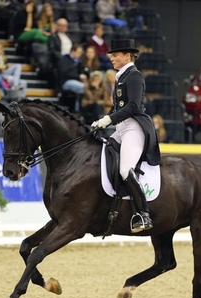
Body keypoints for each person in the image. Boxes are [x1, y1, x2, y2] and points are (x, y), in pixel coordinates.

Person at [91, 39, 160, 233]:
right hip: (121, 129)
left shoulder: (134, 76)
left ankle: (143, 215)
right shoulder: (121, 76)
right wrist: (102, 120)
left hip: (134, 128)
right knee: (103, 153)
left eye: (115, 55)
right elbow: (116, 107)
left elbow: (133, 107)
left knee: (125, 170)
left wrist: (108, 120)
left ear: (127, 56)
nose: (111, 58)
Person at [57, 44, 88, 111]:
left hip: (76, 81)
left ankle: (85, 109)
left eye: (81, 53)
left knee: (88, 86)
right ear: (73, 51)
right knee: (84, 87)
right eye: (78, 52)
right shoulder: (64, 60)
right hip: (65, 82)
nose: (80, 54)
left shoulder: (78, 62)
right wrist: (78, 76)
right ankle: (78, 110)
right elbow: (64, 73)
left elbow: (82, 72)